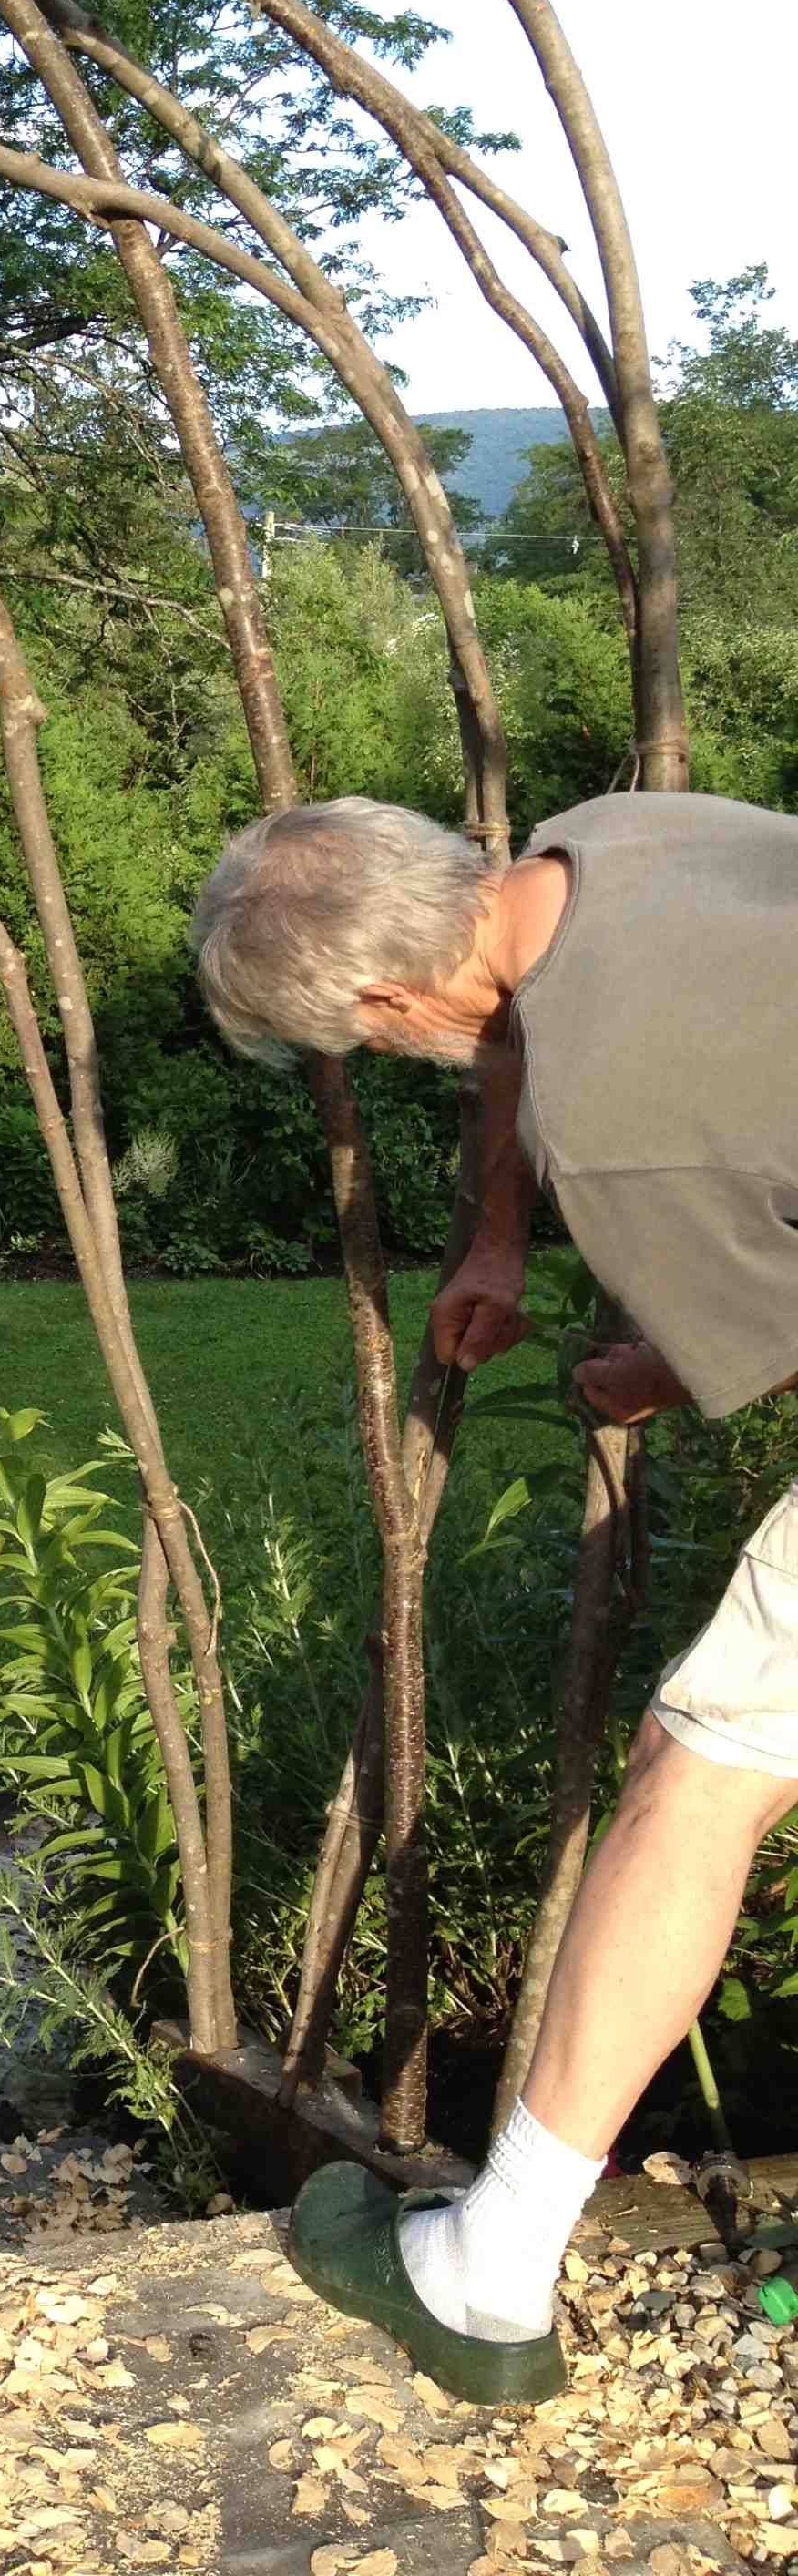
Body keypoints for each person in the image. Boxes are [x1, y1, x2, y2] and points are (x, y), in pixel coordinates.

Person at [189, 789, 798, 2406]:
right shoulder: (610, 837)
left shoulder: (626, 1113)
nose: (396, 1062)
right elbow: (526, 1029)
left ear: (388, 1005)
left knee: (708, 1769)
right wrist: (500, 1241)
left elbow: (761, 1290)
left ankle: (488, 2271)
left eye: (375, 1047)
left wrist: (681, 1351)